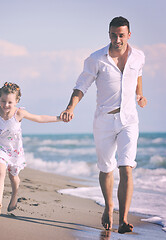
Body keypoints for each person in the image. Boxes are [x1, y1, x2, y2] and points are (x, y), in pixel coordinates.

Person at [60, 16, 147, 234]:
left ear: (129, 35)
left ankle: (123, 219)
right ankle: (108, 206)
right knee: (106, 168)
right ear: (108, 34)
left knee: (126, 166)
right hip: (104, 120)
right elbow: (81, 86)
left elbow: (138, 75)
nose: (117, 39)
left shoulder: (138, 56)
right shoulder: (96, 59)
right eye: (113, 35)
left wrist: (140, 94)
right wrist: (71, 107)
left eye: (121, 35)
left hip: (129, 119)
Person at [0, 82, 61, 215]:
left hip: (14, 150)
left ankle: (15, 194)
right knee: (0, 172)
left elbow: (39, 118)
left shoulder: (19, 113)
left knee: (13, 176)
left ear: (16, 101)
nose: (6, 105)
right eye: (3, 101)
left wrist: (59, 118)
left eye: (10, 102)